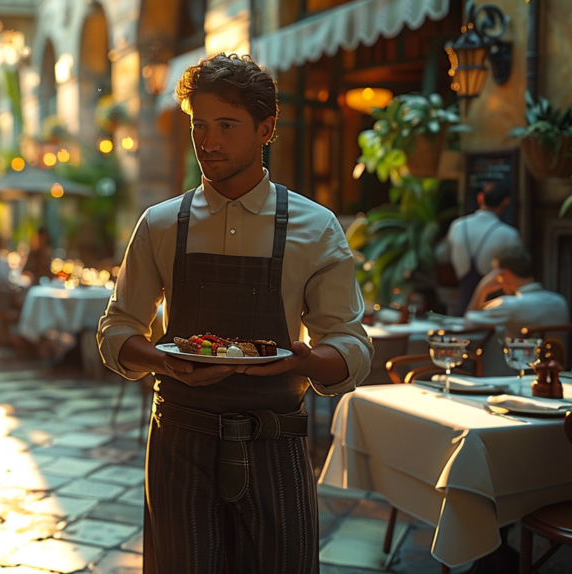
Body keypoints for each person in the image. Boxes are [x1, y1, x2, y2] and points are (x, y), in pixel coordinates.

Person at [97, 53, 372, 573]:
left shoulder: (315, 227)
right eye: (199, 125)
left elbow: (352, 346)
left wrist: (304, 361)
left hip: (276, 440)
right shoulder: (159, 224)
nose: (208, 141)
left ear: (267, 128)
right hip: (180, 439)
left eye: (226, 125)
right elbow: (116, 329)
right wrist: (161, 360)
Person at [435, 183, 521, 315]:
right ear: (506, 202)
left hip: (460, 304)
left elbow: (442, 255)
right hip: (494, 309)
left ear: (480, 198)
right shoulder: (509, 234)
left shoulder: (457, 226)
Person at [465, 246, 569, 337]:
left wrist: (482, 289)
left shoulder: (507, 305)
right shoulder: (560, 301)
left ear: (504, 273)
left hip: (520, 359)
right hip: (556, 359)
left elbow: (467, 325)